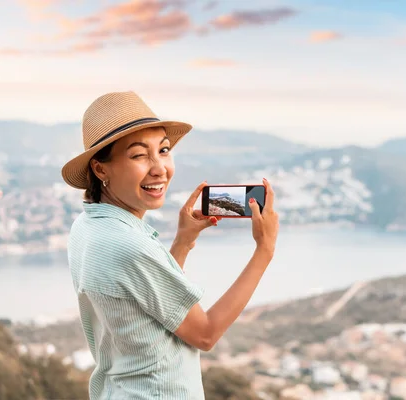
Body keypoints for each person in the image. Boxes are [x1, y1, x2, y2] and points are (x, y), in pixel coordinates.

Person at [61, 91, 279, 399]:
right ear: (100, 169)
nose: (159, 168)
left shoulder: (88, 227)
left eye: (163, 150)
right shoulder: (128, 245)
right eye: (139, 155)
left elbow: (147, 305)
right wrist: (265, 249)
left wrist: (183, 241)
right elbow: (204, 334)